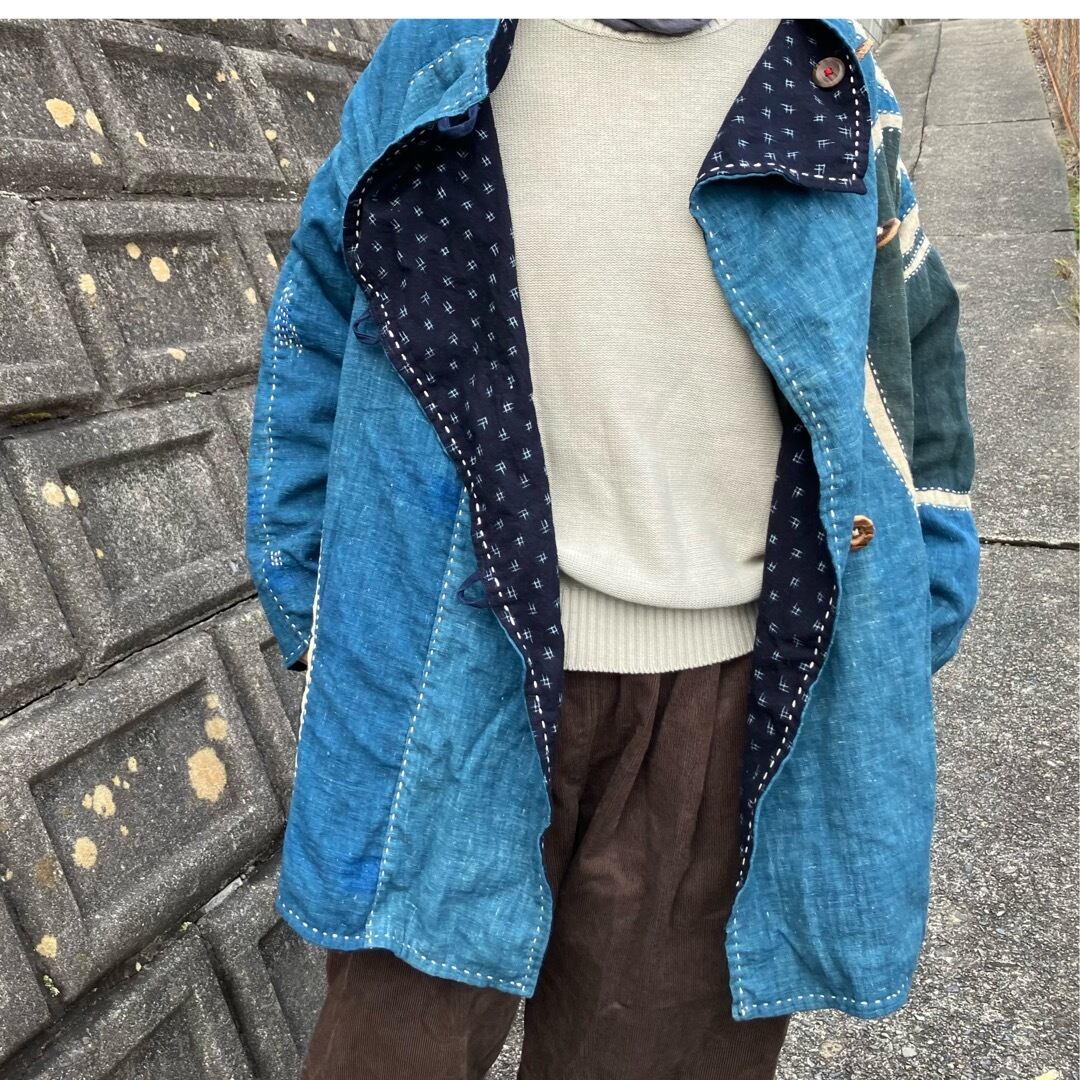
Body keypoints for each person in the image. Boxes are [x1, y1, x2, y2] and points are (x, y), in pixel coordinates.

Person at [245, 17, 980, 1080]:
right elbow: (318, 311)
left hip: (728, 714)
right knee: (387, 1051)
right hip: (447, 680)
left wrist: (925, 591)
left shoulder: (824, 66)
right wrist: (317, 600)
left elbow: (911, 334)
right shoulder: (437, 54)